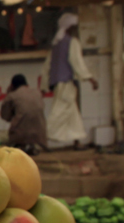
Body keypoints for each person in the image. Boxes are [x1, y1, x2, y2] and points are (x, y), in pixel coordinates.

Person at [41, 13, 98, 149]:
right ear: (70, 27)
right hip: (65, 83)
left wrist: (44, 85)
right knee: (59, 112)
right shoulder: (71, 42)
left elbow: (47, 67)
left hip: (59, 84)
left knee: (72, 113)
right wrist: (91, 79)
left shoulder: (56, 44)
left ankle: (77, 141)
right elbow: (77, 63)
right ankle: (43, 139)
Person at [0, 74, 48, 153]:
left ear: (12, 86)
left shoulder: (12, 95)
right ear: (27, 84)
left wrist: (8, 93)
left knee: (0, 139)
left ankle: (24, 146)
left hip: (20, 137)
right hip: (40, 137)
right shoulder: (37, 93)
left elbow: (5, 116)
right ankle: (32, 147)